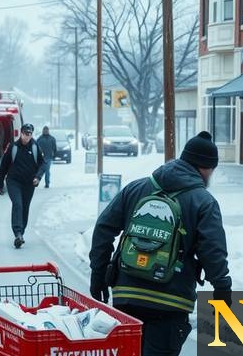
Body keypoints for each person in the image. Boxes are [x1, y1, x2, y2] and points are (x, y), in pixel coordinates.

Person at [88, 131, 231, 356]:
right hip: (171, 301)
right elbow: (212, 250)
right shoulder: (203, 202)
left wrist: (98, 274)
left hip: (126, 294)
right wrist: (222, 287)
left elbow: (103, 228)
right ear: (206, 168)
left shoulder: (136, 188)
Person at [0, 123, 47, 249]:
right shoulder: (13, 147)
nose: (27, 136)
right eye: (25, 133)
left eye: (29, 134)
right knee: (17, 204)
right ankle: (17, 233)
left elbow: (43, 164)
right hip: (13, 182)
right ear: (21, 133)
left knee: (25, 207)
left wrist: (38, 177)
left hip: (29, 183)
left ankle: (21, 234)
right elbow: (4, 165)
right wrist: (0, 184)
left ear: (31, 134)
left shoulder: (35, 147)